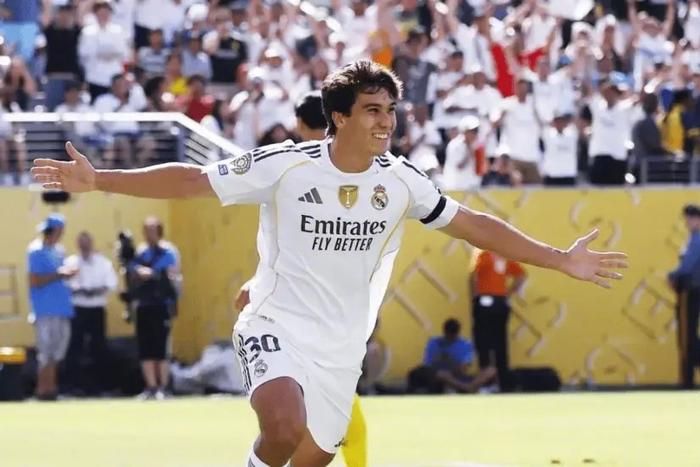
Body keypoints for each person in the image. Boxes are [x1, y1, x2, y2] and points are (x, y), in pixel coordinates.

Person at [32, 60, 627, 467]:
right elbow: (192, 180)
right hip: (274, 323)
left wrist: (558, 259)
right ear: (339, 116)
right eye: (372, 109)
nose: (385, 121)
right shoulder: (286, 165)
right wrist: (100, 179)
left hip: (343, 346)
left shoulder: (403, 181)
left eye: (390, 109)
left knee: (311, 457)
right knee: (282, 429)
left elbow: (472, 224)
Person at [233, 90, 370, 467]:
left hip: (327, 316)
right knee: (313, 421)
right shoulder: (308, 170)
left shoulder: (298, 169)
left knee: (330, 421)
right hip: (309, 316)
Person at [129, 217, 180, 400]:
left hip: (161, 306)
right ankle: (150, 387)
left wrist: (147, 272)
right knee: (146, 348)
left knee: (161, 348)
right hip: (144, 305)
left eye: (152, 230)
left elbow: (164, 270)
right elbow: (133, 270)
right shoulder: (141, 253)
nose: (148, 234)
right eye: (146, 230)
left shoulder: (167, 251)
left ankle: (163, 387)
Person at [27, 213, 77, 400]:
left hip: (62, 308)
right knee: (45, 353)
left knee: (57, 353)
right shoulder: (36, 251)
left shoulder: (59, 251)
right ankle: (42, 390)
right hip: (45, 309)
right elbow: (34, 280)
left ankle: (51, 389)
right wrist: (59, 274)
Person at [64, 231, 118, 395]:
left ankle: (102, 387)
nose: (85, 245)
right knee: (75, 346)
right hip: (78, 308)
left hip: (96, 308)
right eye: (82, 242)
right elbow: (65, 284)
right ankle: (72, 386)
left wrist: (95, 291)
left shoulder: (103, 263)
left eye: (87, 242)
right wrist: (80, 290)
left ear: (92, 243)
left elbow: (111, 284)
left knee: (99, 346)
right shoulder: (71, 262)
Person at [470, 248, 527, 390]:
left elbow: (473, 275)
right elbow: (521, 275)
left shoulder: (482, 252)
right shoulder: (504, 253)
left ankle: (487, 381)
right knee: (500, 342)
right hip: (501, 301)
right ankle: (503, 382)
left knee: (483, 341)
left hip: (485, 299)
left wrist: (474, 297)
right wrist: (507, 293)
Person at [408, 318, 497, 394]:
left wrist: (453, 368)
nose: (450, 338)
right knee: (439, 374)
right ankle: (466, 388)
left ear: (457, 333)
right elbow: (428, 364)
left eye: (452, 336)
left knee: (491, 370)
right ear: (444, 332)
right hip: (437, 374)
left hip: (456, 375)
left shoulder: (466, 344)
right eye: (448, 336)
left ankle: (470, 386)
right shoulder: (434, 342)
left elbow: (464, 368)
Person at [668, 204, 700, 389]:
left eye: (689, 219)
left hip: (692, 289)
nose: (687, 223)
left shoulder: (697, 239)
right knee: (689, 334)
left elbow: (687, 266)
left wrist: (672, 275)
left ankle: (686, 379)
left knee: (686, 335)